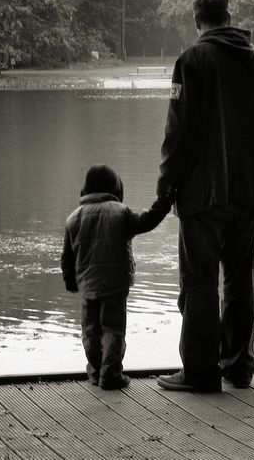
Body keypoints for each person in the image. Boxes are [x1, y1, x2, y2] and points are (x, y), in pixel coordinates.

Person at [155, 0, 254, 392]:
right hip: (249, 191)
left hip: (201, 194)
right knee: (241, 279)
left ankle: (200, 372)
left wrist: (167, 184)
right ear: (228, 17)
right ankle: (239, 365)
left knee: (199, 282)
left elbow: (179, 131)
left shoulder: (191, 61)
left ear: (197, 21)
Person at [60, 164, 171, 390]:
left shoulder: (73, 218)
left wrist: (71, 282)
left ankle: (95, 370)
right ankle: (110, 374)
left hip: (88, 286)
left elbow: (67, 258)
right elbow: (147, 222)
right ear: (117, 191)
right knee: (113, 329)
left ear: (84, 192)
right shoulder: (122, 212)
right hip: (115, 285)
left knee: (90, 330)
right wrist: (163, 204)